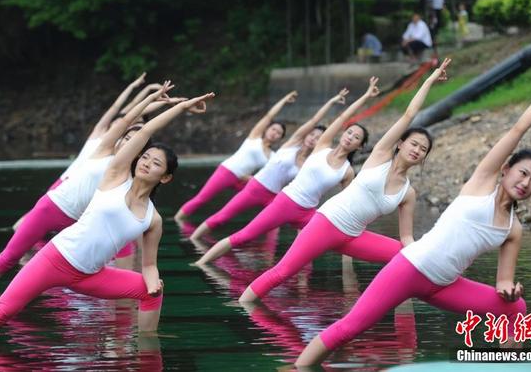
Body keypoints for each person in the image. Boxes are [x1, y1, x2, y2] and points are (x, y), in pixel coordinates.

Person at [295, 75, 531, 366]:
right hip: (410, 268)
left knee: (517, 307)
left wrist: (510, 290)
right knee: (348, 329)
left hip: (445, 285)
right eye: (523, 173)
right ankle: (298, 366)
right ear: (505, 169)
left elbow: (503, 282)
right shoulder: (482, 184)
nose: (527, 182)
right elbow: (518, 129)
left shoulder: (513, 229)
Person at [0, 90, 216, 340]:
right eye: (145, 157)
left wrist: (152, 284)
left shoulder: (153, 219)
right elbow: (145, 130)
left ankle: (147, 347)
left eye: (156, 163)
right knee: (0, 313)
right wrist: (180, 107)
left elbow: (148, 265)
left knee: (152, 292)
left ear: (166, 177)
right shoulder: (115, 175)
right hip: (55, 259)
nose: (147, 163)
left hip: (90, 276)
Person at [238, 59, 451, 304]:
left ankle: (402, 328)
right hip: (327, 222)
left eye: (423, 149)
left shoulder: (408, 193)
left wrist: (426, 255)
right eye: (414, 143)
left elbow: (406, 239)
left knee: (403, 256)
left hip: (354, 236)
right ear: (401, 143)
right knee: (283, 272)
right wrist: (430, 79)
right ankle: (243, 306)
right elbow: (410, 114)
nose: (417, 150)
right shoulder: (380, 155)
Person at [0, 83, 180, 286]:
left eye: (134, 142)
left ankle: (126, 304)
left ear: (139, 151)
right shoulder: (104, 150)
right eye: (125, 137)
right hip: (53, 206)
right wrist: (153, 99)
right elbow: (126, 117)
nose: (127, 142)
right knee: (10, 256)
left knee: (120, 252)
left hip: (80, 222)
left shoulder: (130, 175)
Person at [194, 78, 381, 266]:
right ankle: (201, 264)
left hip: (308, 212)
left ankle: (331, 276)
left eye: (356, 137)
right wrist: (365, 96)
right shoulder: (322, 146)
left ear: (360, 145)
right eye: (350, 132)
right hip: (286, 201)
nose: (350, 137)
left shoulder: (347, 172)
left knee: (319, 244)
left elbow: (349, 201)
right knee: (244, 236)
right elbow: (341, 119)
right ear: (342, 133)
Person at [188, 89, 349, 240]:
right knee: (222, 217)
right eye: (312, 134)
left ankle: (275, 259)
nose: (313, 138)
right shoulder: (292, 143)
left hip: (275, 197)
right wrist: (332, 101)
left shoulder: (311, 161)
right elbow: (314, 119)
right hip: (256, 187)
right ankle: (193, 240)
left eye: (317, 138)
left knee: (273, 232)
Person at [174, 92, 297, 224]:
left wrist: (252, 178)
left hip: (243, 180)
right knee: (202, 199)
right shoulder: (254, 138)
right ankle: (177, 220)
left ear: (281, 138)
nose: (275, 133)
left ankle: (269, 234)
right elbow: (269, 116)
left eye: (279, 133)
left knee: (271, 201)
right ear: (267, 129)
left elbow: (267, 175)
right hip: (227, 171)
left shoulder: (273, 155)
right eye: (273, 129)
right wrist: (284, 101)